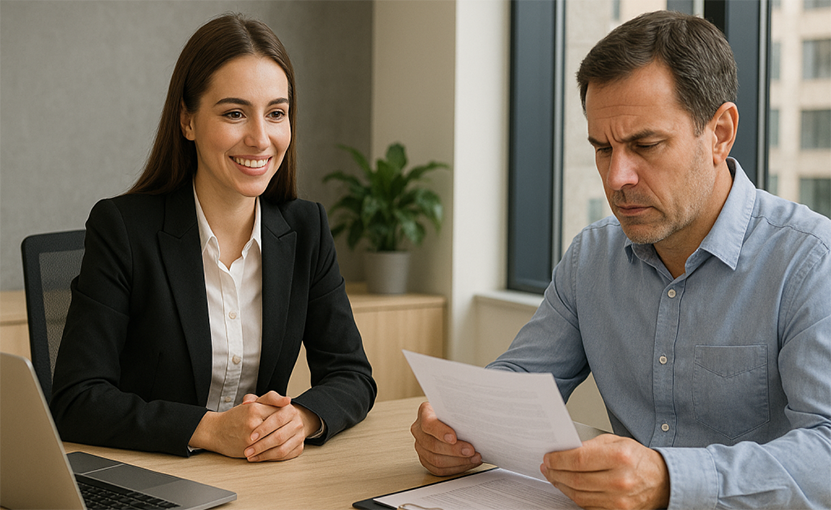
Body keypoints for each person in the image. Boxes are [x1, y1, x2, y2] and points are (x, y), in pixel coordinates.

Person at [411, 10, 831, 509]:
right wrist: (459, 423)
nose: (616, 178)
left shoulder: (809, 260)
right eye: (603, 148)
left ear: (720, 133)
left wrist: (669, 479)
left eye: (645, 144)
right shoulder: (592, 256)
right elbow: (523, 380)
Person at [50, 13, 376, 462]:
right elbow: (75, 399)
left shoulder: (307, 229)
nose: (260, 139)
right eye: (235, 113)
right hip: (147, 474)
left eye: (276, 113)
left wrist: (299, 419)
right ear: (187, 121)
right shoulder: (122, 229)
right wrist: (208, 429)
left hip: (256, 477)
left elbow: (352, 375)